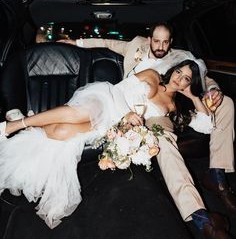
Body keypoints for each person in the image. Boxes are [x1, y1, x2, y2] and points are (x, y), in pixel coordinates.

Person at [0, 60, 231, 237]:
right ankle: (14, 125)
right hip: (107, 100)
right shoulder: (151, 74)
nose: (179, 79)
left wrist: (193, 96)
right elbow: (121, 90)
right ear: (173, 70)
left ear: (190, 84)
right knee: (81, 113)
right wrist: (127, 114)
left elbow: (206, 126)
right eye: (179, 72)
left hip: (113, 125)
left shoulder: (173, 106)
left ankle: (30, 128)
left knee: (59, 133)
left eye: (187, 79)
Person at [57, 21, 236, 213]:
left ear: (171, 42)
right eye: (157, 41)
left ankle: (217, 177)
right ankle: (196, 210)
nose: (161, 46)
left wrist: (212, 89)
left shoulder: (180, 58)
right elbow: (106, 42)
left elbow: (202, 75)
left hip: (167, 105)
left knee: (226, 103)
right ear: (149, 39)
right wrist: (75, 43)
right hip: (137, 106)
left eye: (165, 42)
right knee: (162, 138)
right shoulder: (136, 45)